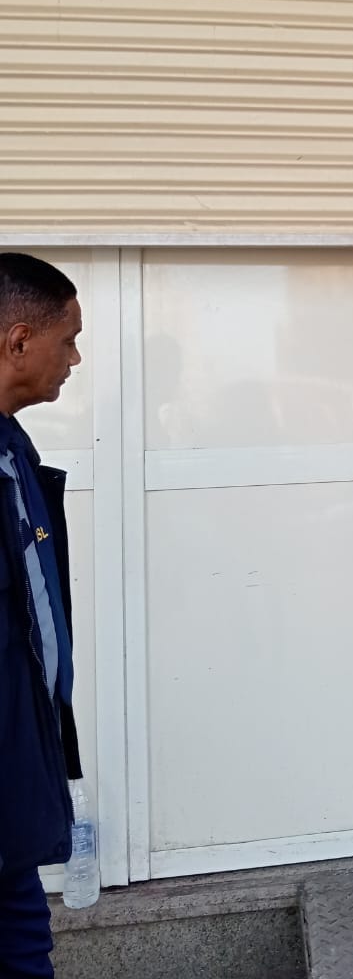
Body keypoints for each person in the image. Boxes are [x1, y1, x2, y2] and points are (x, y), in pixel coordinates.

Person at [0, 253, 84, 978]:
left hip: (18, 757)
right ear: (19, 341)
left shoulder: (12, 448)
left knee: (24, 933)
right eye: (69, 340)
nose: (75, 359)